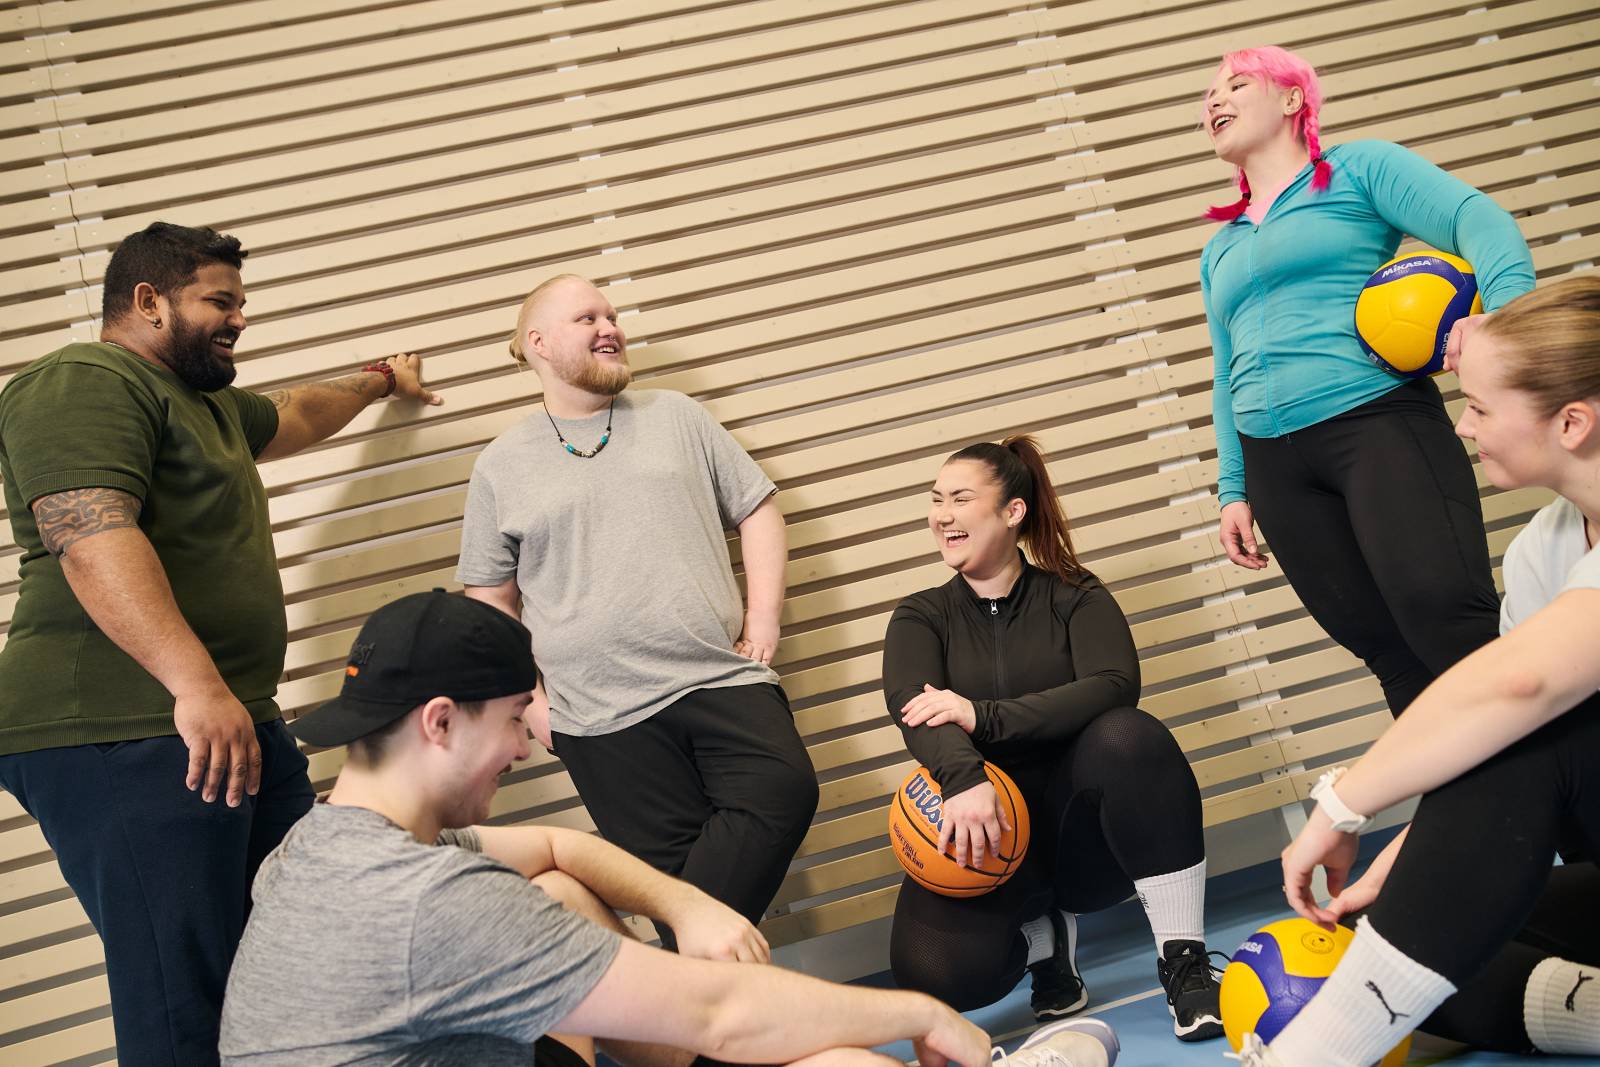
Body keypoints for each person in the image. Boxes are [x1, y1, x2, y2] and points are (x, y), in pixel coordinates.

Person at [219, 589, 1123, 1067]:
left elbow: (555, 850)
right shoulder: (431, 906)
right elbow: (716, 1009)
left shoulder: (323, 843)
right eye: (516, 721)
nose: (529, 750)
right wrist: (922, 1012)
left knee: (563, 890)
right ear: (441, 720)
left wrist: (691, 904)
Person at [0, 222, 440, 1065]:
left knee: (289, 948)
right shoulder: (83, 379)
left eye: (242, 302)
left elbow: (299, 411)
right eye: (221, 301)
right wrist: (194, 684)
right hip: (122, 727)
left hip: (218, 716)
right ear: (147, 300)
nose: (240, 318)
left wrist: (381, 378)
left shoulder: (204, 404)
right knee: (183, 992)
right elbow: (90, 535)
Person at [1235, 274, 1600, 1066]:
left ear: (1571, 421)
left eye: (1478, 406)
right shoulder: (1547, 543)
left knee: (1528, 733)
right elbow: (1490, 742)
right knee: (1427, 939)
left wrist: (1342, 804)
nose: (1464, 427)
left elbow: (1518, 690)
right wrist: (1401, 871)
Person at [458, 275, 818, 935]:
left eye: (613, 314)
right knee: (680, 880)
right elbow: (488, 599)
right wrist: (531, 706)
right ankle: (720, 1022)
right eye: (586, 316)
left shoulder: (676, 414)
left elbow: (759, 509)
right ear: (537, 343)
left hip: (713, 672)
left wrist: (762, 619)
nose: (610, 326)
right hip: (598, 716)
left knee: (784, 789)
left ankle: (672, 991)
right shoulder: (500, 465)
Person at [1200, 46, 1536, 718]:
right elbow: (1224, 366)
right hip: (1274, 462)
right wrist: (1233, 488)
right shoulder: (1222, 246)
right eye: (1207, 96)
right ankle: (1469, 811)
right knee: (1385, 650)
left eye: (1236, 84)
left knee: (1447, 616)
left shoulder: (1360, 169)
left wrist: (1501, 322)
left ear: (1295, 100)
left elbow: (1480, 221)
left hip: (1375, 425)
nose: (1214, 101)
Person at [880, 435, 1224, 1043]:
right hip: (983, 835)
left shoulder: (1074, 594)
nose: (942, 515)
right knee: (933, 974)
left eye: (960, 499)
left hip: (1082, 842)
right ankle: (1045, 942)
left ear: (1012, 512)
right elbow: (915, 712)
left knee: (1129, 737)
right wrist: (965, 778)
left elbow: (1115, 685)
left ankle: (1186, 962)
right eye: (936, 500)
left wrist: (982, 717)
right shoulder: (920, 615)